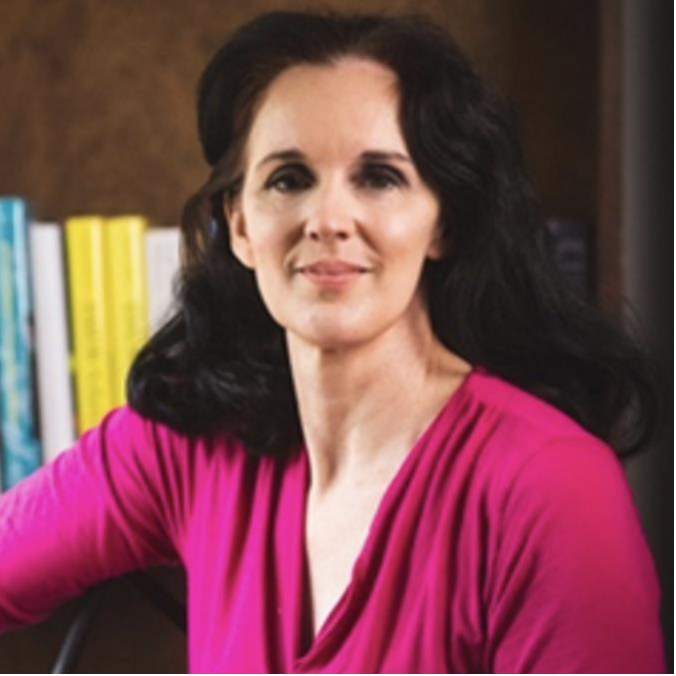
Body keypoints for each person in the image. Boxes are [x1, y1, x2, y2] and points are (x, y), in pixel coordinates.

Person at [0, 10, 666, 673]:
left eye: (378, 177)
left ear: (443, 224)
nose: (327, 220)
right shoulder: (186, 442)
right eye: (289, 179)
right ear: (240, 226)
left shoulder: (552, 488)